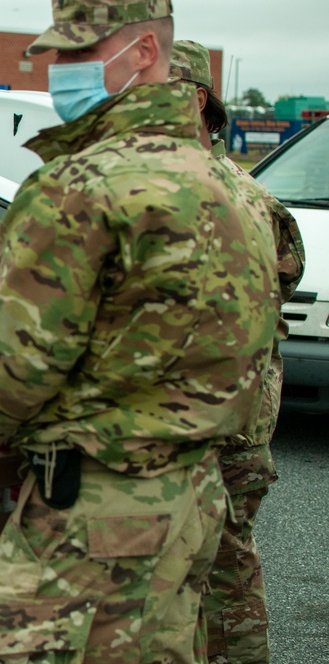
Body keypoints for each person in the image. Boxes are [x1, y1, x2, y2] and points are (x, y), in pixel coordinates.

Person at [0, 1, 281, 662]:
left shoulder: (80, 186)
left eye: (80, 54)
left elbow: (18, 356)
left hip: (100, 514)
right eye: (58, 54)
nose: (60, 71)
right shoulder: (228, 188)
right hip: (192, 499)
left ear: (142, 54)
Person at [170, 40, 305, 664]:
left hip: (214, 430)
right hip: (232, 422)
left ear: (198, 99)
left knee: (214, 580)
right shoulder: (248, 191)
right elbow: (289, 273)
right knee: (216, 577)